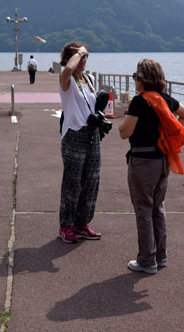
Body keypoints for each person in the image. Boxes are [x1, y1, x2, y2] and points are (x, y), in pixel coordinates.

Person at [119, 59, 184, 274]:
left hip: (143, 161)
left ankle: (146, 261)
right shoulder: (167, 100)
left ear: (142, 79)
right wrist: (168, 133)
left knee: (143, 210)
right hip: (163, 160)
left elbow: (125, 132)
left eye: (136, 77)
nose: (135, 81)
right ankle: (161, 256)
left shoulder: (140, 102)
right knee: (157, 208)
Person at [57, 41, 103, 244]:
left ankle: (82, 224)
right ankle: (66, 226)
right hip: (74, 134)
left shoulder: (90, 79)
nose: (83, 60)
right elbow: (67, 70)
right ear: (69, 59)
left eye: (85, 57)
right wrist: (80, 52)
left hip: (92, 135)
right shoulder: (66, 80)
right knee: (72, 183)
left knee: (91, 181)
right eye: (79, 57)